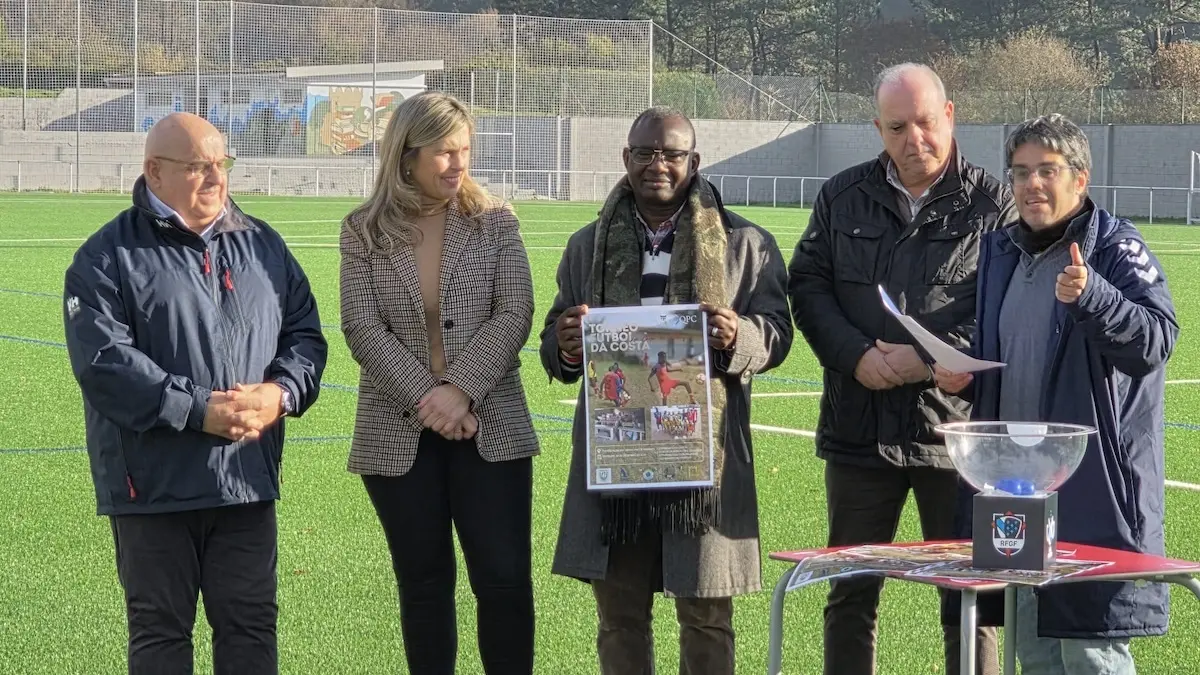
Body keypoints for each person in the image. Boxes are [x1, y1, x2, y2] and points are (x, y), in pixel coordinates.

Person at [62, 112, 327, 674]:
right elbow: (105, 361)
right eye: (198, 167)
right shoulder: (106, 256)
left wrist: (280, 394)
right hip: (152, 487)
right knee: (161, 636)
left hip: (245, 481)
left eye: (221, 163)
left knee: (251, 628)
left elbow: (304, 334)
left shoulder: (263, 245)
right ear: (154, 172)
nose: (215, 178)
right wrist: (196, 409)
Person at [541, 106, 793, 675]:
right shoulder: (588, 245)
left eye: (672, 154)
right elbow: (556, 342)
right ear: (625, 158)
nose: (658, 163)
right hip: (617, 456)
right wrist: (564, 342)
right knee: (620, 619)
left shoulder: (745, 243)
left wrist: (739, 336)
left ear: (694, 162)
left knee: (705, 617)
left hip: (705, 459)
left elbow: (778, 333)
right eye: (645, 152)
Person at [786, 62, 1017, 675]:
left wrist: (926, 359)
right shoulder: (841, 196)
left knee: (973, 597)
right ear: (878, 129)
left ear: (949, 115)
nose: (913, 139)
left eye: (923, 122)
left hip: (957, 436)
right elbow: (808, 286)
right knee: (851, 591)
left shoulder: (995, 205)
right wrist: (854, 355)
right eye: (896, 128)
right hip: (859, 431)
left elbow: (1008, 305)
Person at [935, 114, 1178, 675]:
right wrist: (969, 375)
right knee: (1035, 647)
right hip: (1016, 491)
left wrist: (1095, 295)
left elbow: (1155, 343)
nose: (1031, 185)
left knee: (1088, 648)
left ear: (1080, 178)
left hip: (1092, 491)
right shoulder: (1001, 252)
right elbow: (1015, 349)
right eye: (1020, 172)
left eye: (1048, 170)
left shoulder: (1115, 248)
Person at [338, 91, 538, 675]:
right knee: (423, 584)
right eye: (444, 153)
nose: (458, 165)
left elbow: (515, 311)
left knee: (502, 580)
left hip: (490, 427)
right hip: (397, 434)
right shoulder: (363, 231)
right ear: (407, 154)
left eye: (465, 152)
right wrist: (432, 402)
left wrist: (462, 391)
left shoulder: (496, 222)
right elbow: (360, 324)